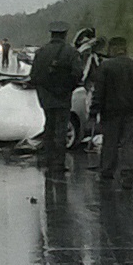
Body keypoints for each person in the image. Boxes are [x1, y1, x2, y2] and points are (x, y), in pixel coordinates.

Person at [92, 36, 133, 182]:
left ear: (113, 49)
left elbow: (98, 93)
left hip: (110, 113)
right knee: (129, 144)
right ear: (125, 48)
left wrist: (93, 114)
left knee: (110, 143)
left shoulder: (105, 67)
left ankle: (106, 174)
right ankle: (127, 174)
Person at [28, 22, 82, 173]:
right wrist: (68, 87)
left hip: (46, 97)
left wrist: (44, 89)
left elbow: (33, 76)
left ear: (51, 34)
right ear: (64, 35)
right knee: (61, 129)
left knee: (49, 127)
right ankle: (58, 163)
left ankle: (47, 160)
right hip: (63, 97)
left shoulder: (41, 52)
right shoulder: (71, 52)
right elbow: (78, 74)